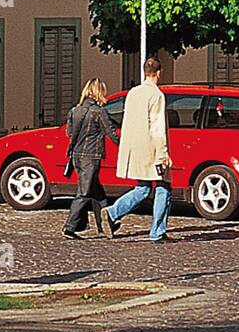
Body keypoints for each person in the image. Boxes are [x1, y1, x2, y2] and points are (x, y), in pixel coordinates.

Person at [101, 56, 172, 244]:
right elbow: (157, 126)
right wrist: (163, 153)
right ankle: (157, 231)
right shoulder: (156, 95)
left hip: (135, 147)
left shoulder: (133, 92)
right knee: (163, 187)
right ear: (159, 73)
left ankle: (112, 212)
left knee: (142, 188)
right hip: (151, 148)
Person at [63, 78, 120, 238]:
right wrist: (125, 145)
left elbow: (69, 132)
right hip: (91, 156)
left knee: (97, 191)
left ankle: (108, 224)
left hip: (76, 156)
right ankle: (70, 227)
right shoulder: (99, 112)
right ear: (98, 93)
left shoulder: (75, 110)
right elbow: (112, 134)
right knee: (84, 192)